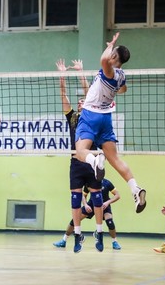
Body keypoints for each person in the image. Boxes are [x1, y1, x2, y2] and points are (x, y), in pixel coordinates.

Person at [74, 32, 147, 214]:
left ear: (115, 56)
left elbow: (104, 60)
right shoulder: (121, 76)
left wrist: (110, 45)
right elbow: (123, 89)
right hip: (106, 118)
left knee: (81, 151)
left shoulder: (110, 70)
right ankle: (135, 190)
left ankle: (95, 162)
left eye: (113, 53)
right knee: (115, 159)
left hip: (91, 115)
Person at [57, 58, 105, 253]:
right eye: (79, 101)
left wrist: (80, 72)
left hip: (93, 161)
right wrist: (62, 75)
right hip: (76, 162)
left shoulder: (93, 115)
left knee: (97, 199)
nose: (80, 102)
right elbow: (63, 95)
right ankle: (77, 234)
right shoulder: (73, 117)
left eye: (84, 100)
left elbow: (89, 91)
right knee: (75, 200)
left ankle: (99, 232)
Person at [53, 178, 122, 250]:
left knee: (110, 223)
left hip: (104, 206)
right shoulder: (89, 183)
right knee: (74, 220)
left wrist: (107, 202)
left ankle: (114, 242)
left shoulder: (107, 183)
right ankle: (64, 240)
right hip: (91, 205)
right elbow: (83, 195)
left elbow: (117, 195)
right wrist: (85, 205)